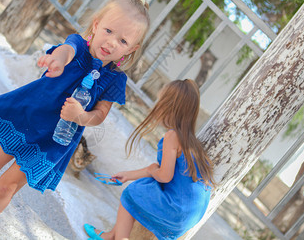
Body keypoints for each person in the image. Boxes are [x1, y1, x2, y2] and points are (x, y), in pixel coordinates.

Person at [0, 0, 150, 240]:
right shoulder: (78, 46)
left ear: (131, 49)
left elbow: (100, 114)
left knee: (8, 185)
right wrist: (56, 60)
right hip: (27, 119)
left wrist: (82, 116)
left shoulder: (115, 79)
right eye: (109, 30)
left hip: (54, 140)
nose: (111, 42)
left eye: (123, 40)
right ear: (97, 24)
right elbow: (65, 51)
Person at [84, 79, 215, 240]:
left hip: (176, 209)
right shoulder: (193, 144)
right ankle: (110, 235)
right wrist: (129, 175)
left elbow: (164, 176)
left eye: (160, 102)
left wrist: (152, 169)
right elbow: (160, 173)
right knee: (142, 186)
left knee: (132, 194)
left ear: (169, 107)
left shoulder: (173, 137)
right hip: (188, 217)